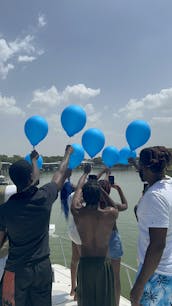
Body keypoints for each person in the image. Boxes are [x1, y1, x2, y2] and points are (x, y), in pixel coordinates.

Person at [0, 145, 73, 306]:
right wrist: (67, 154)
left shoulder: (5, 210)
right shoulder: (44, 197)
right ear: (31, 176)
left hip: (17, 271)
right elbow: (60, 174)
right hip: (42, 268)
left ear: (13, 179)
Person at [130, 146, 172, 306]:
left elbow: (157, 244)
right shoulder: (168, 186)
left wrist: (139, 286)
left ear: (146, 167)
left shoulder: (155, 197)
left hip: (157, 274)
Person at [71, 164, 118, 306]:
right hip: (103, 265)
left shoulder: (78, 213)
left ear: (84, 196)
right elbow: (115, 205)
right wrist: (101, 190)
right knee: (105, 301)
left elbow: (78, 189)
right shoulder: (110, 214)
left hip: (85, 264)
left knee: (86, 301)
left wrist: (85, 174)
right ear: (100, 196)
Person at [97, 168, 128, 306]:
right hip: (114, 241)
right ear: (109, 191)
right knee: (116, 278)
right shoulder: (113, 207)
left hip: (99, 244)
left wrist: (103, 180)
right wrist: (119, 189)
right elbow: (126, 205)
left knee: (102, 278)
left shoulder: (92, 207)